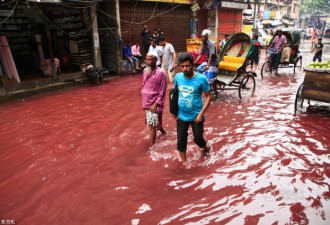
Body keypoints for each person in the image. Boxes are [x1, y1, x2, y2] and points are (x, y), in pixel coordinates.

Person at [172, 52, 212, 165]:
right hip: (181, 115)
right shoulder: (178, 77)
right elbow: (174, 94)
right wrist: (173, 111)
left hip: (196, 116)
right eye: (182, 66)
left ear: (193, 65)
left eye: (187, 66)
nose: (185, 68)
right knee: (181, 141)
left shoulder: (201, 79)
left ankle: (205, 146)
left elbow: (209, 96)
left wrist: (201, 114)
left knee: (198, 139)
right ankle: (184, 163)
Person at [141, 52, 167, 147]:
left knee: (152, 126)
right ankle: (165, 133)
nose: (147, 62)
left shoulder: (161, 73)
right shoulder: (145, 71)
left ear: (156, 60)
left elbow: (163, 91)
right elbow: (144, 84)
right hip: (146, 101)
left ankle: (152, 148)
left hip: (154, 103)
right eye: (146, 59)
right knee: (154, 122)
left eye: (150, 59)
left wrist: (156, 103)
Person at [194, 29, 219, 96]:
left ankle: (215, 92)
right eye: (201, 37)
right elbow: (200, 54)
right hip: (207, 61)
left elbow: (211, 56)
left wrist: (207, 66)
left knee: (209, 77)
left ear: (207, 37)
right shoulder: (203, 44)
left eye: (203, 37)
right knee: (198, 70)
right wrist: (194, 62)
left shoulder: (212, 44)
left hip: (213, 63)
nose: (202, 38)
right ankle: (207, 88)